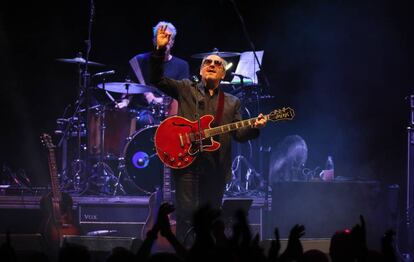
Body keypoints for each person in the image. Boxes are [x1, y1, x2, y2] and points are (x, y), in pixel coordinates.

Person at [150, 25, 267, 242]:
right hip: (186, 164)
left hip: (216, 168)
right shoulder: (186, 88)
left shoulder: (232, 102)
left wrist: (254, 127)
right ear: (201, 71)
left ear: (223, 73)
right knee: (186, 216)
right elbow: (157, 80)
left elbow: (240, 134)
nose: (212, 65)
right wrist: (160, 51)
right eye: (207, 63)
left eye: (217, 64)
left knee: (211, 217)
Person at [117, 21, 189, 124]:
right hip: (141, 112)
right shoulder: (140, 61)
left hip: (169, 113)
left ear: (172, 42)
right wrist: (125, 101)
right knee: (141, 120)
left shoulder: (182, 65)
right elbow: (129, 87)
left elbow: (182, 95)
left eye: (168, 37)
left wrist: (163, 101)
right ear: (154, 41)